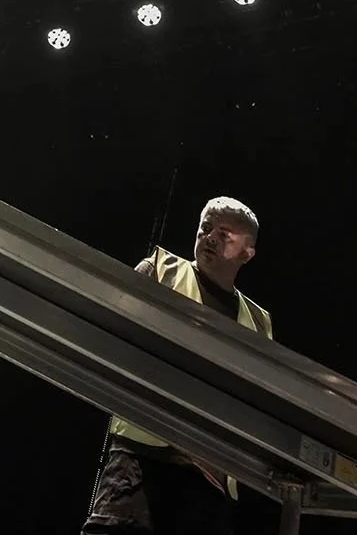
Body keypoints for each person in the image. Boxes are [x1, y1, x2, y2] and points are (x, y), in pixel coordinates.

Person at [82, 196, 273, 535]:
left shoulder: (258, 323)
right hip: (141, 458)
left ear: (247, 252)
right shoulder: (160, 269)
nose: (210, 237)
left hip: (208, 476)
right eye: (206, 228)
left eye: (224, 234)